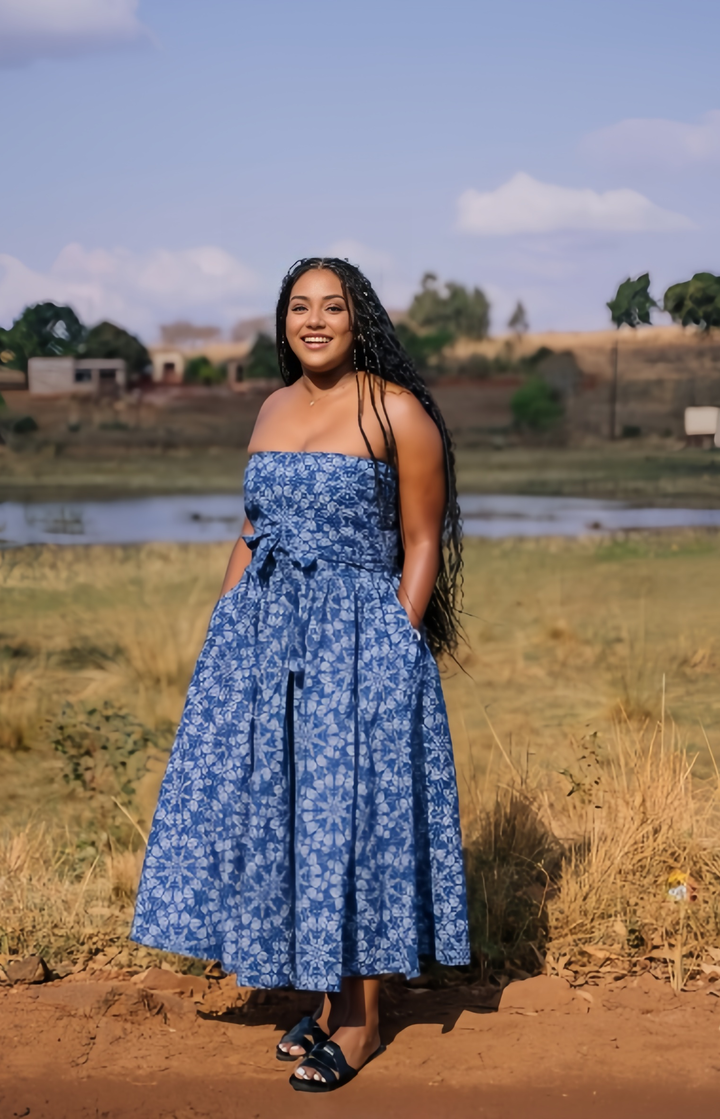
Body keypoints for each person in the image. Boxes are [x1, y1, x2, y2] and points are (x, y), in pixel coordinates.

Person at [131, 257, 470, 1092]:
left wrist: (395, 641)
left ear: (361, 319)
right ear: (283, 321)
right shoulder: (271, 406)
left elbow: (422, 542)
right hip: (265, 638)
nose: (314, 320)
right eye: (298, 307)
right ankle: (325, 1001)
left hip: (360, 642)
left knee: (348, 820)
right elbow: (252, 530)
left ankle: (362, 1020)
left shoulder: (396, 413)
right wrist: (224, 630)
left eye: (332, 307)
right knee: (291, 815)